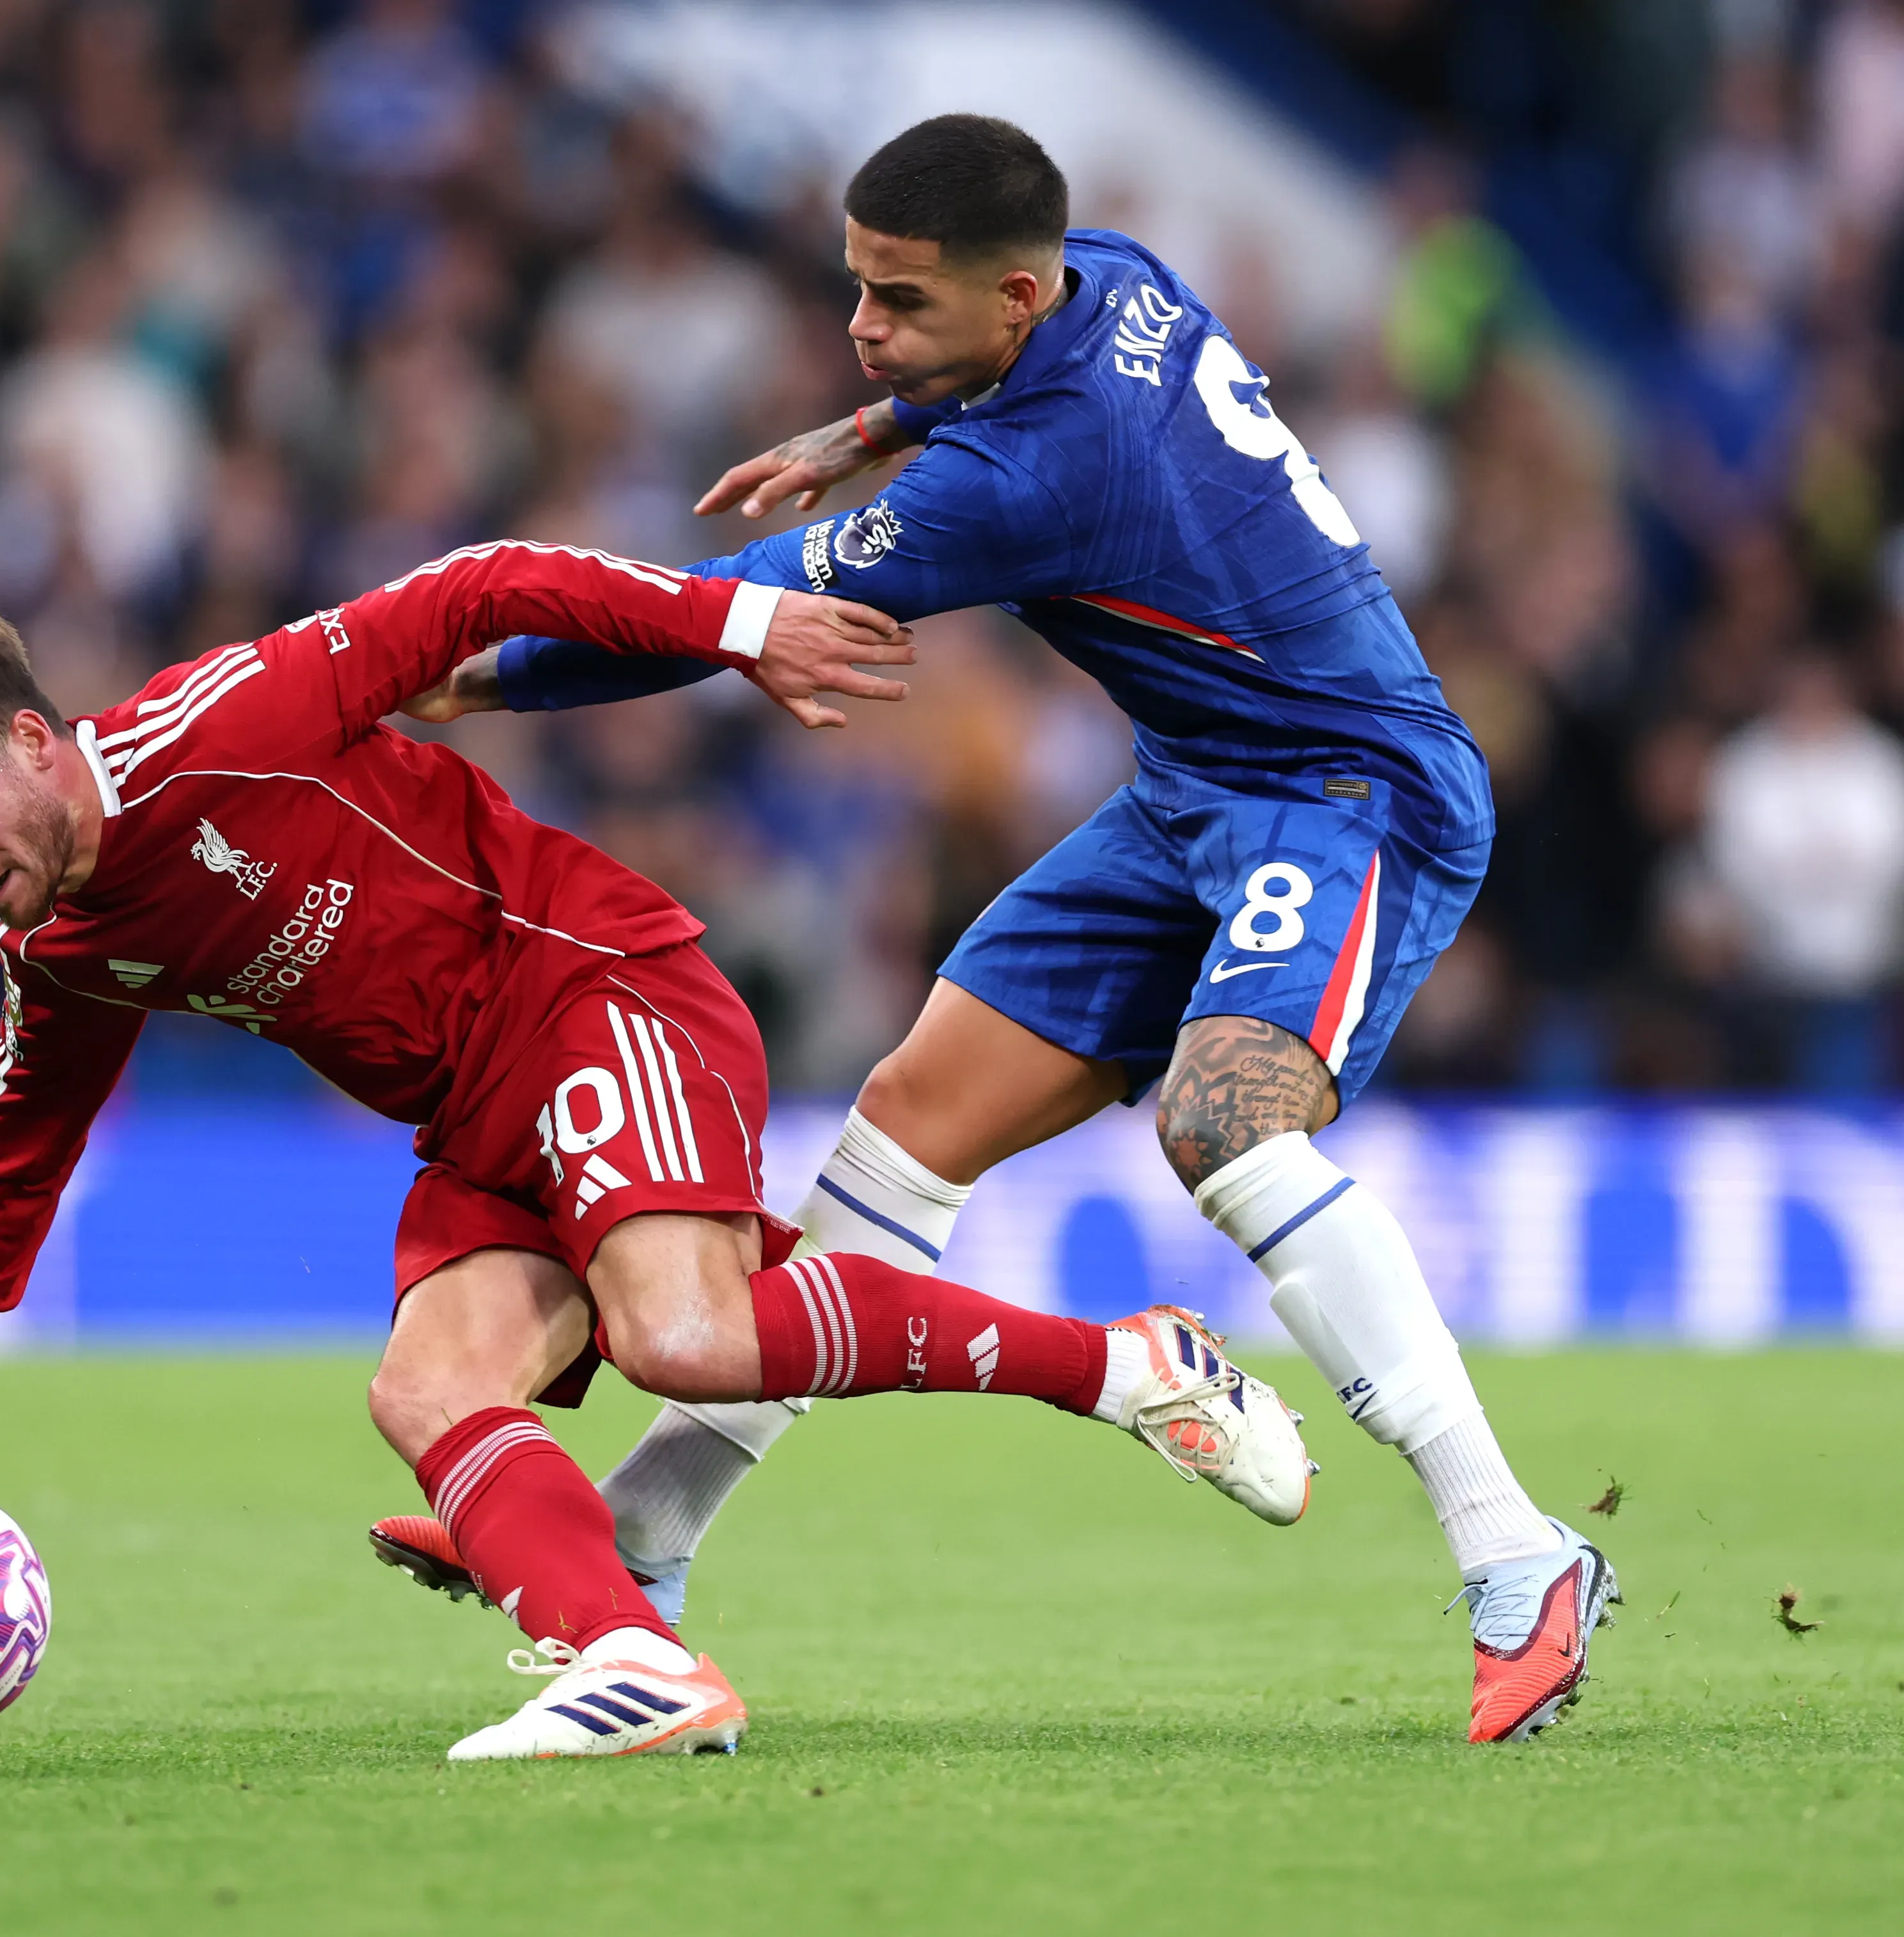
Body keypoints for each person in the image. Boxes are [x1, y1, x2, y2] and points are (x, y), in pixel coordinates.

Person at [397, 115, 1616, 1744]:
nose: (862, 325)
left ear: (1014, 297)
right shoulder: (1111, 274)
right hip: (1192, 789)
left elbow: (738, 610)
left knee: (1224, 1121)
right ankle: (648, 1526)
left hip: (1348, 795)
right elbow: (971, 361)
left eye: (900, 302)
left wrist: (486, 675)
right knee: (907, 1120)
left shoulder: (1024, 478)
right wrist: (869, 420)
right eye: (857, 288)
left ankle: (1514, 1546)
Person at [0, 544, 1313, 1763]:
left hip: (589, 987)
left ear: (32, 743)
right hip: (479, 1115)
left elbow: (475, 587)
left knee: (683, 1333)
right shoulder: (62, 942)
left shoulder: (215, 729)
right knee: (425, 1387)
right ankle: (631, 1655)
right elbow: (38, 1091)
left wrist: (735, 624)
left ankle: (1134, 1367)